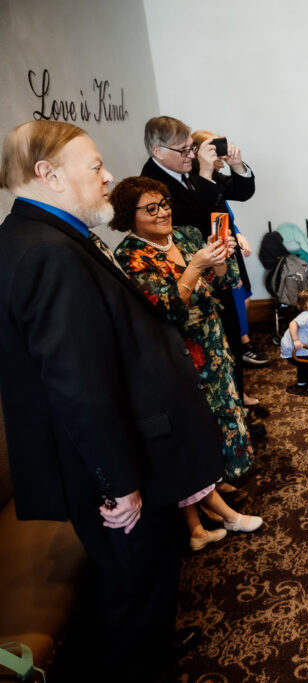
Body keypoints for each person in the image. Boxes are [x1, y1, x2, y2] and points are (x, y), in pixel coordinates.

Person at [0, 121, 223, 679]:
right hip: (109, 474)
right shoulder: (46, 252)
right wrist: (118, 484)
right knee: (135, 580)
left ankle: (152, 647)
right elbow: (76, 384)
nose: (108, 177)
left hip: (123, 450)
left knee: (143, 579)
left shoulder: (52, 235)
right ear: (48, 175)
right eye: (96, 166)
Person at [109, 176, 263, 549]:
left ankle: (220, 479)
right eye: (151, 208)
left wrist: (221, 262)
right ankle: (207, 489)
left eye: (164, 203)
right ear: (129, 217)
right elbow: (165, 309)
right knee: (197, 424)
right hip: (177, 349)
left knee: (226, 407)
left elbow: (221, 285)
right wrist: (194, 266)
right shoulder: (130, 256)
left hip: (211, 336)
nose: (163, 212)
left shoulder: (189, 234)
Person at [140, 116, 261, 423]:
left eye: (191, 149)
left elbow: (242, 192)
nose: (190, 156)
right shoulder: (153, 183)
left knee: (230, 339)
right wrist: (205, 174)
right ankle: (226, 420)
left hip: (221, 260)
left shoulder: (186, 169)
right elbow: (191, 219)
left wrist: (237, 166)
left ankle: (237, 408)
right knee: (212, 350)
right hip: (195, 272)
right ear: (157, 151)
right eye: (183, 150)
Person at [190, 129, 269, 373]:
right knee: (232, 300)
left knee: (242, 295)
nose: (219, 153)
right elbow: (201, 211)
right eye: (212, 148)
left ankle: (241, 343)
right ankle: (239, 347)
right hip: (211, 251)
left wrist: (236, 166)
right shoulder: (192, 179)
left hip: (229, 243)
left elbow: (243, 193)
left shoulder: (216, 176)